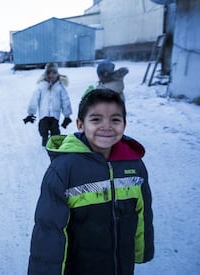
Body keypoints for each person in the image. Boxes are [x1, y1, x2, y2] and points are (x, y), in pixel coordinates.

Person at [28, 89, 154, 275]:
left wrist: (142, 250)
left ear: (124, 124)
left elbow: (142, 212)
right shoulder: (64, 169)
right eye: (96, 119)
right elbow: (49, 229)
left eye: (115, 120)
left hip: (122, 265)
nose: (107, 126)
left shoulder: (134, 164)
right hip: (79, 267)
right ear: (80, 124)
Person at [24, 63, 73, 146]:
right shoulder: (41, 86)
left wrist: (67, 115)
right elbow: (34, 99)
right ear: (46, 73)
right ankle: (44, 138)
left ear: (57, 74)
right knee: (43, 128)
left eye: (54, 73)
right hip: (44, 113)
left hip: (55, 114)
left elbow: (65, 100)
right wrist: (31, 113)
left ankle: (54, 141)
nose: (51, 75)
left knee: (55, 130)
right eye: (49, 72)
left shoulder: (59, 86)